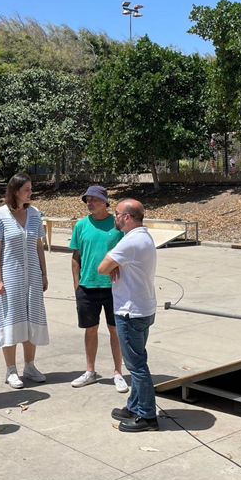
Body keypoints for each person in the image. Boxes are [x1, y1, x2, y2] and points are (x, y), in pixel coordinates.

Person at [97, 199, 159, 433]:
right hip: (142, 308)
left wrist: (113, 264)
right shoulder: (143, 237)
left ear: (127, 218)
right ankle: (135, 406)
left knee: (137, 366)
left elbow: (101, 267)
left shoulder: (131, 241)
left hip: (131, 312)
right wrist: (116, 265)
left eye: (117, 213)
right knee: (137, 362)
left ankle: (147, 416)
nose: (114, 217)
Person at [0, 173, 49, 388]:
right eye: (26, 189)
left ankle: (30, 366)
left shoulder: (34, 214)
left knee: (31, 318)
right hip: (10, 276)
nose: (30, 192)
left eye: (31, 188)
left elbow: (38, 245)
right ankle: (11, 370)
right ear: (15, 191)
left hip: (32, 275)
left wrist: (43, 273)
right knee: (11, 320)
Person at [69, 185, 127, 392]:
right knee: (90, 329)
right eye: (87, 200)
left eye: (93, 199)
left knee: (115, 329)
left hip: (114, 288)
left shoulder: (118, 224)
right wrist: (77, 285)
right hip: (87, 286)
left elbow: (128, 253)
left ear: (104, 201)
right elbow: (75, 258)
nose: (89, 203)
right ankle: (90, 371)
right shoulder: (81, 225)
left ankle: (118, 372)